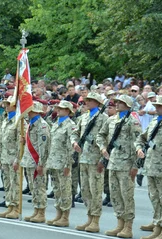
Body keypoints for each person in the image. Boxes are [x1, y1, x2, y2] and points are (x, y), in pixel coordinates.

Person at [97, 95, 142, 238]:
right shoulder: (111, 120)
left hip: (126, 165)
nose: (117, 104)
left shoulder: (132, 122)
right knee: (115, 195)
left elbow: (138, 143)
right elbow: (100, 135)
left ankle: (128, 227)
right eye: (116, 102)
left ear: (128, 105)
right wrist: (102, 148)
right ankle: (119, 224)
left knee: (127, 196)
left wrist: (135, 166)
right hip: (113, 162)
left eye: (120, 103)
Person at [135, 95, 162, 239]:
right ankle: (157, 225)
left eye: (159, 106)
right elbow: (141, 138)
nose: (157, 108)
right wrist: (139, 148)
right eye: (156, 105)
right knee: (154, 197)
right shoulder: (155, 121)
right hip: (151, 165)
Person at [70, 92, 108, 233]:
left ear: (98, 103)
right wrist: (74, 142)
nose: (87, 102)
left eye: (91, 100)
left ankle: (95, 220)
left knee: (96, 191)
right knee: (85, 191)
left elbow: (106, 139)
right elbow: (75, 132)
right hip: (83, 158)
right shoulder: (84, 117)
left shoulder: (104, 118)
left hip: (95, 159)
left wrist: (103, 160)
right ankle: (89, 217)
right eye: (87, 100)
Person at [45, 100, 76, 227]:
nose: (58, 110)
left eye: (61, 108)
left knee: (65, 190)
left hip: (63, 163)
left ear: (68, 111)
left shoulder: (70, 125)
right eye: (58, 108)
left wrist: (68, 165)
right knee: (57, 189)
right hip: (54, 162)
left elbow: (71, 148)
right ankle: (58, 213)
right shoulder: (55, 123)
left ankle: (65, 216)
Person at [21, 101, 51, 223]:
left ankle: (41, 212)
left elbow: (44, 147)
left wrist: (41, 163)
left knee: (40, 188)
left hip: (37, 161)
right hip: (29, 161)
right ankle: (36, 210)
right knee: (33, 188)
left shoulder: (42, 126)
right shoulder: (31, 124)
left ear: (35, 111)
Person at [0, 96, 21, 219]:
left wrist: (18, 159)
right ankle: (9, 205)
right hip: (5, 156)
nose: (5, 106)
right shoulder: (5, 120)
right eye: (5, 104)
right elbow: (1, 140)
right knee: (7, 182)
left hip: (13, 158)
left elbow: (20, 143)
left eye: (8, 104)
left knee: (14, 183)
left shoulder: (19, 121)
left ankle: (15, 207)